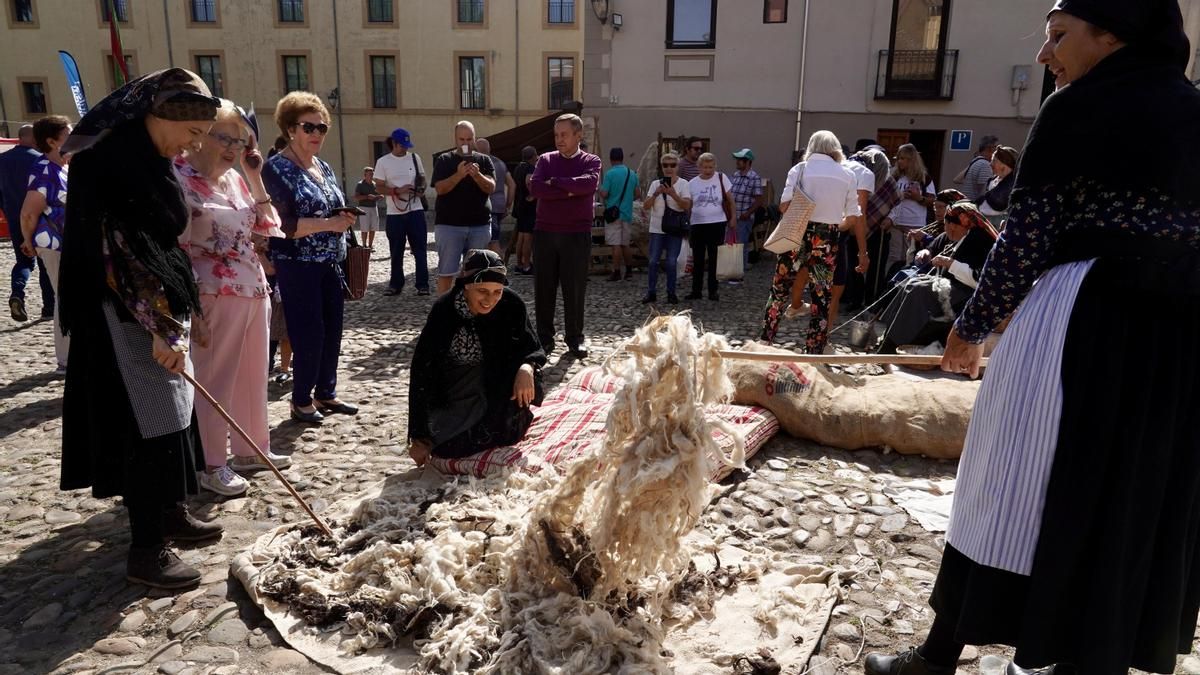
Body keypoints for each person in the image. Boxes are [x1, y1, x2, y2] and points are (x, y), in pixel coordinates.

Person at [868, 2, 1200, 673]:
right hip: (1178, 338)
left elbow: (1026, 239)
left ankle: (937, 657)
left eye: (1058, 36)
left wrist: (969, 328)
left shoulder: (1076, 108)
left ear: (1113, 34)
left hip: (1085, 318)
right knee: (1129, 497)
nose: (1046, 56)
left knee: (1008, 476)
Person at [57, 68, 225, 590]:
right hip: (124, 316)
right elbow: (119, 255)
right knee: (147, 428)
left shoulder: (152, 159)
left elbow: (160, 243)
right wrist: (161, 326)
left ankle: (171, 511)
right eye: (191, 132)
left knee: (174, 417)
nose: (193, 145)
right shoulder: (109, 163)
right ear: (158, 116)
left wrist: (181, 316)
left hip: (156, 312)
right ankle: (146, 548)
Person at [173, 100, 292, 497]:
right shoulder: (178, 177)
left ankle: (251, 448)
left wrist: (254, 176)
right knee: (215, 378)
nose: (232, 148)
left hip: (253, 287)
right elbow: (176, 247)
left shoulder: (236, 180)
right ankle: (212, 464)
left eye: (239, 141)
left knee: (254, 374)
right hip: (211, 291)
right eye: (224, 138)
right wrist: (188, 304)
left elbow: (269, 225)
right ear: (199, 136)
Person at [262, 91, 359, 425]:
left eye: (322, 128)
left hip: (330, 261)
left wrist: (343, 217)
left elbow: (329, 206)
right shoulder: (275, 169)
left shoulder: (323, 166)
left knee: (332, 329)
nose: (317, 133)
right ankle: (301, 399)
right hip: (297, 263)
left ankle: (325, 391)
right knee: (309, 333)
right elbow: (281, 224)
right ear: (290, 129)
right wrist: (330, 224)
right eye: (309, 127)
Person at [406, 250, 545, 467]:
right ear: (467, 286)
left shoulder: (511, 304)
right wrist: (418, 435)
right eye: (482, 291)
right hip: (456, 391)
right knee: (447, 446)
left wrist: (527, 367)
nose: (490, 300)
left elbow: (531, 347)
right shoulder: (445, 311)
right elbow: (422, 371)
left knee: (504, 429)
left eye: (497, 292)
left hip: (497, 388)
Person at [759, 131, 861, 352]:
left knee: (779, 289)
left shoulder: (799, 169)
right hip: (827, 238)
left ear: (811, 147)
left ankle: (766, 340)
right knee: (822, 295)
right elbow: (853, 218)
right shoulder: (847, 174)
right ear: (835, 149)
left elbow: (784, 206)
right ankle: (814, 350)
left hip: (796, 232)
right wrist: (835, 226)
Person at [874, 202, 998, 354]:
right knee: (910, 282)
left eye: (946, 224)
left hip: (968, 294)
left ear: (954, 225)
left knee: (919, 290)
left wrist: (950, 263)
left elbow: (979, 280)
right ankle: (889, 336)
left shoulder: (981, 242)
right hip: (953, 286)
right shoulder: (965, 235)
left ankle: (891, 344)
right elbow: (935, 249)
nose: (946, 229)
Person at [527, 114, 601, 358]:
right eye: (556, 135)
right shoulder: (546, 160)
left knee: (574, 289)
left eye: (564, 135)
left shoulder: (591, 161)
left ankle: (575, 338)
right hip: (546, 232)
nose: (559, 139)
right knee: (544, 289)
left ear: (578, 135)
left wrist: (556, 182)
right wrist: (569, 191)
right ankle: (544, 339)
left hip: (576, 233)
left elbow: (588, 185)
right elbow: (536, 188)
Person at [18, 115, 72, 372]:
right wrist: (27, 240)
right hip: (53, 242)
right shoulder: (43, 170)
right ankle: (66, 359)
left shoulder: (63, 167)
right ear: (51, 141)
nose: (73, 138)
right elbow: (29, 213)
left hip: (66, 242)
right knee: (65, 297)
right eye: (68, 135)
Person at [431, 121, 496, 295]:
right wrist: (459, 175)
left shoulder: (483, 160)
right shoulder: (444, 160)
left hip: (479, 225)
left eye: (469, 139)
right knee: (446, 272)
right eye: (462, 139)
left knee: (475, 273)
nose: (465, 143)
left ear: (474, 138)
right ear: (455, 139)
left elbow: (491, 188)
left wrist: (477, 175)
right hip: (449, 225)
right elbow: (440, 189)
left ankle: (472, 307)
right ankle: (444, 308)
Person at [2, 123, 54, 323]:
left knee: (23, 261)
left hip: (14, 218)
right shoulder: (40, 160)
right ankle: (49, 308)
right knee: (44, 263)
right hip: (40, 218)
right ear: (33, 138)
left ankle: (17, 292)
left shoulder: (2, 160)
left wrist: (7, 210)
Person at [374, 128, 430, 296]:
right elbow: (379, 187)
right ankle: (395, 284)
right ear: (394, 143)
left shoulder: (414, 158)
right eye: (402, 145)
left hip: (415, 210)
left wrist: (420, 190)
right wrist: (397, 191)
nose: (405, 149)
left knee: (420, 250)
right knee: (396, 251)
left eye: (407, 145)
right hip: (395, 214)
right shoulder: (383, 162)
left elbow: (422, 179)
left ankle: (423, 285)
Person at [641, 152, 692, 305]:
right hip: (657, 228)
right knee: (653, 262)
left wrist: (673, 194)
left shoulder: (683, 184)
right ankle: (651, 292)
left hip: (674, 229)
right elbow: (645, 206)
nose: (669, 168)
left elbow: (686, 205)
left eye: (672, 165)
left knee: (671, 262)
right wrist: (656, 194)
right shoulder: (655, 184)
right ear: (661, 167)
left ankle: (671, 292)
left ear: (677, 167)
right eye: (665, 165)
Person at [686, 153, 735, 302]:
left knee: (714, 258)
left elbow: (730, 200)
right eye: (705, 167)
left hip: (717, 223)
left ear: (715, 166)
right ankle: (696, 290)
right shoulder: (692, 183)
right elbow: (689, 204)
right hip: (697, 224)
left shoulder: (721, 178)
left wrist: (733, 217)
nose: (708, 170)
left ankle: (713, 290)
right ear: (699, 167)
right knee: (698, 259)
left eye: (711, 167)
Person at [883, 144, 936, 277]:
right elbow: (886, 197)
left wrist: (918, 198)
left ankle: (904, 284)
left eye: (903, 158)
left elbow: (932, 201)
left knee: (910, 258)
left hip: (915, 226)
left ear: (911, 160)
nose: (899, 161)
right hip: (896, 224)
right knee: (893, 257)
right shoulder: (894, 176)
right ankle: (889, 283)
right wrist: (900, 195)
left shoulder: (924, 178)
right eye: (898, 158)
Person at [599, 147, 640, 281]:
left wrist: (600, 191)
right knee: (625, 244)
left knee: (615, 244)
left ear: (611, 159)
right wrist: (627, 200)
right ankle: (629, 271)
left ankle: (616, 272)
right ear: (622, 158)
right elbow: (637, 194)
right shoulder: (631, 173)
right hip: (626, 213)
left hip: (613, 214)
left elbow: (604, 193)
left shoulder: (610, 174)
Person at [475, 137, 515, 256]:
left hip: (487, 206)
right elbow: (512, 185)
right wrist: (508, 205)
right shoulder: (501, 163)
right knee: (493, 239)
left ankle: (498, 265)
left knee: (493, 241)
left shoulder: (479, 164)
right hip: (499, 206)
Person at [730, 148, 765, 275]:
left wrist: (748, 213)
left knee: (741, 244)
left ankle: (740, 271)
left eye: (740, 160)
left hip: (744, 217)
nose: (737, 162)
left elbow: (759, 200)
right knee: (730, 243)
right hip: (733, 216)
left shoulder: (754, 178)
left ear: (748, 162)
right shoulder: (735, 175)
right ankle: (730, 268)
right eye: (737, 159)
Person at [976, 145, 1019, 229]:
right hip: (984, 223)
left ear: (1004, 164)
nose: (990, 164)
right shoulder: (992, 180)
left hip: (1000, 226)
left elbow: (998, 203)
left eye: (994, 161)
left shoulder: (1012, 184)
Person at [511, 145, 538, 274]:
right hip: (528, 206)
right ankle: (527, 265)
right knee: (528, 237)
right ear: (532, 157)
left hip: (519, 205)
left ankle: (519, 264)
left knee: (521, 236)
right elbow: (529, 181)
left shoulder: (518, 168)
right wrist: (533, 195)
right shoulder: (530, 168)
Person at [953, 134, 999, 201]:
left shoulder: (976, 162)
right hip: (974, 205)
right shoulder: (985, 165)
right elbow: (985, 192)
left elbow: (956, 180)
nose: (998, 151)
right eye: (996, 148)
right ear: (989, 148)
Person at [352, 166, 382, 249]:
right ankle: (364, 245)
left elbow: (378, 194)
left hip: (374, 207)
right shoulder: (360, 184)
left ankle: (370, 245)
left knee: (373, 227)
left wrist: (378, 197)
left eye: (372, 174)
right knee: (364, 228)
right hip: (363, 208)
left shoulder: (374, 184)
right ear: (365, 175)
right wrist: (367, 197)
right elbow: (356, 197)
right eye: (370, 174)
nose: (372, 176)